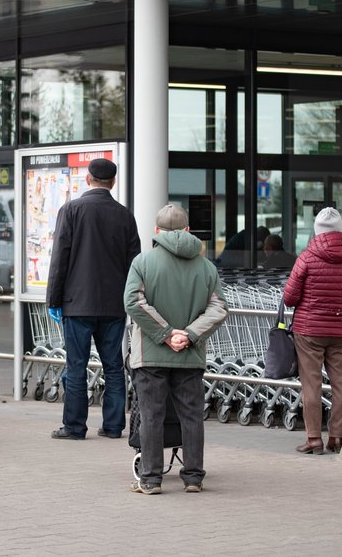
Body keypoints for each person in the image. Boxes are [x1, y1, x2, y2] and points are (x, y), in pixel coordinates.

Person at [124, 205, 228, 494]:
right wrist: (190, 334)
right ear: (187, 230)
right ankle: (193, 476)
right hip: (190, 355)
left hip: (150, 353)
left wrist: (165, 334)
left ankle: (151, 478)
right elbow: (218, 307)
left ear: (156, 231)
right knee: (192, 416)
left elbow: (133, 302)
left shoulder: (143, 263)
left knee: (151, 415)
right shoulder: (207, 267)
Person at [46, 158, 141, 440]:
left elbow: (59, 258)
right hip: (113, 305)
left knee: (76, 365)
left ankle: (74, 427)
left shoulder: (71, 210)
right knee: (113, 365)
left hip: (77, 304)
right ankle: (113, 426)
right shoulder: (124, 215)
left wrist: (53, 300)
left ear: (87, 179)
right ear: (112, 182)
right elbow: (133, 263)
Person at [282, 207, 342, 455]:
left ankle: (313, 439)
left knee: (311, 384)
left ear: (317, 230)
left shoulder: (307, 257)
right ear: (341, 230)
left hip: (309, 331)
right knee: (341, 383)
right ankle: (337, 437)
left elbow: (289, 297)